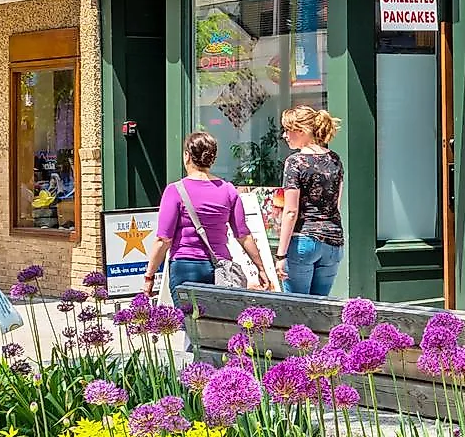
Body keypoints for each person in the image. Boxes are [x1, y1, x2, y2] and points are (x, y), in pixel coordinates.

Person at [143, 130, 276, 298]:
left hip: (186, 266)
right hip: (220, 268)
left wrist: (149, 275)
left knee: (189, 321)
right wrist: (261, 268)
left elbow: (163, 240)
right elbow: (243, 235)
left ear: (187, 156)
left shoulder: (174, 191)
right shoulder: (228, 190)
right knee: (216, 322)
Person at [275, 106, 346, 298]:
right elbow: (336, 204)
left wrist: (280, 255)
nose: (285, 135)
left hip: (303, 241)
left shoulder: (295, 162)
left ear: (301, 131)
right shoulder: (335, 159)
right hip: (333, 242)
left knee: (297, 309)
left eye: (288, 130)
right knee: (319, 308)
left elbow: (291, 211)